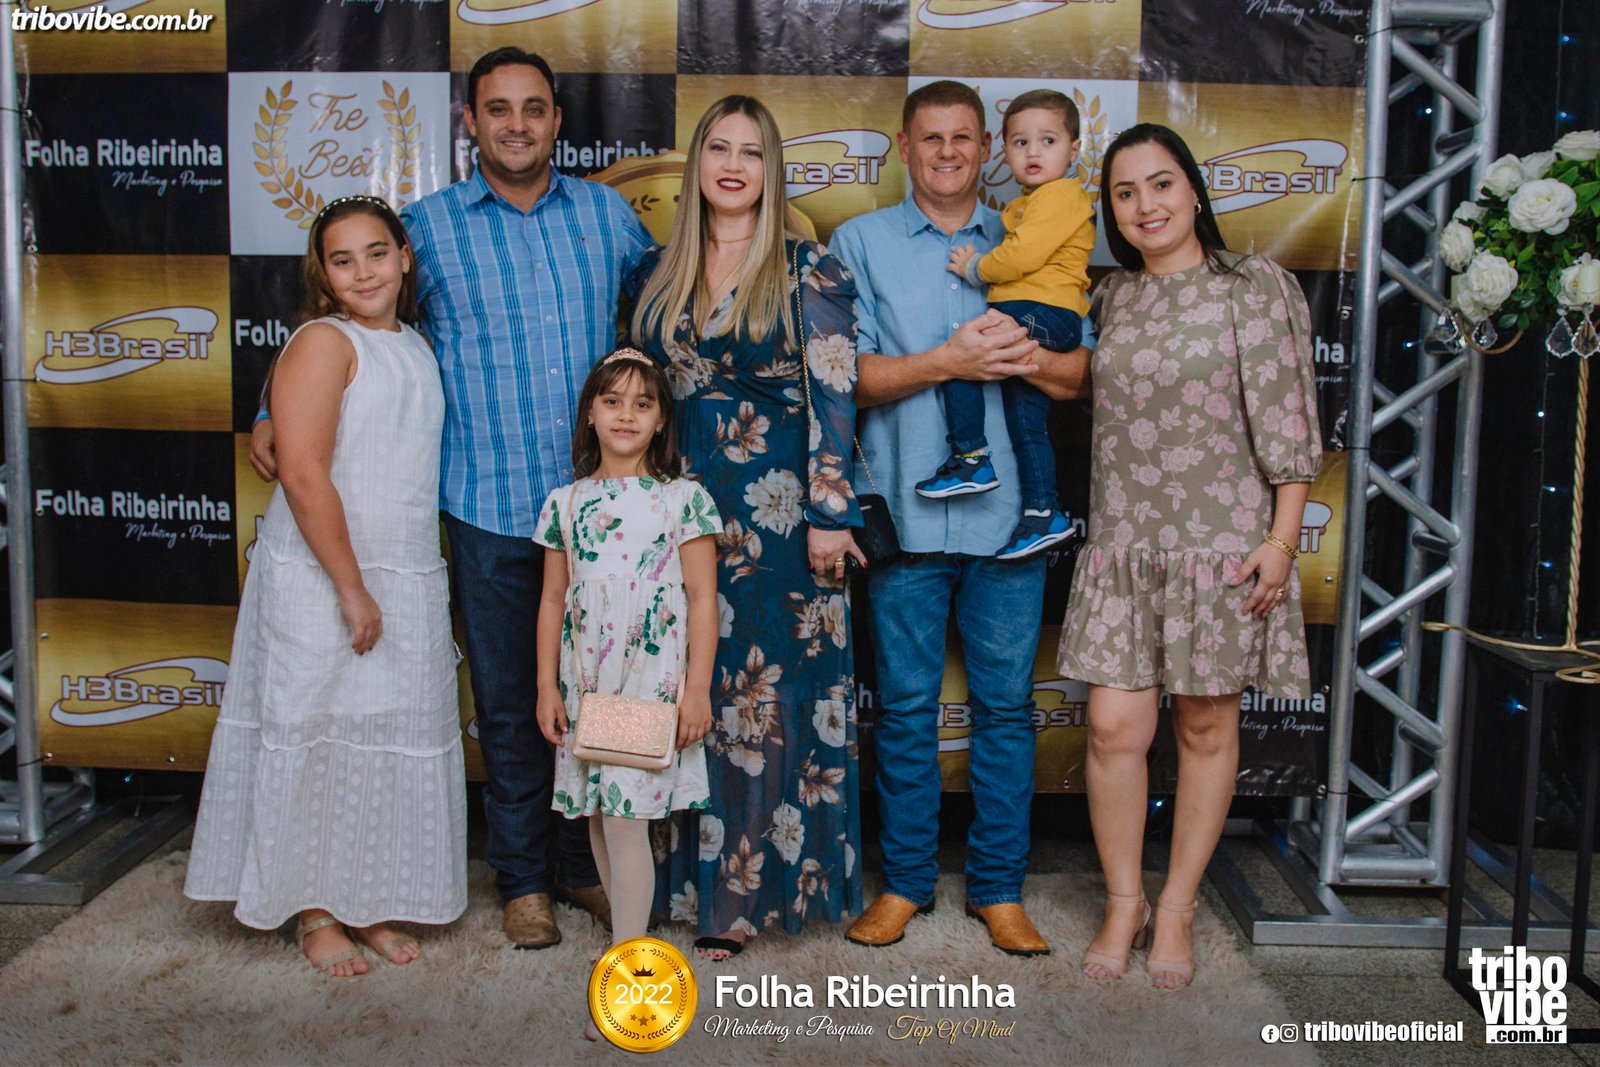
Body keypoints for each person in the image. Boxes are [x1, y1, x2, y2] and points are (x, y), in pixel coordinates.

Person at [252, 47, 655, 949]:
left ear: (558, 120)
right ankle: (524, 880)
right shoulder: (427, 228)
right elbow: (355, 320)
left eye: (534, 108)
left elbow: (670, 318)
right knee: (510, 704)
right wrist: (270, 410)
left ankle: (589, 862)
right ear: (469, 122)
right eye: (497, 109)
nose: (517, 124)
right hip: (489, 501)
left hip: (602, 512)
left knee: (606, 692)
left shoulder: (609, 216)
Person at [829, 80, 1090, 957]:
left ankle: (999, 889)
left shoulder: (1032, 232)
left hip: (1012, 520)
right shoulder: (859, 242)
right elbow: (845, 377)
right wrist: (948, 360)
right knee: (905, 709)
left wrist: (1021, 358)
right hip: (902, 513)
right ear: (904, 148)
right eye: (931, 137)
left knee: (1007, 710)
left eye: (964, 137)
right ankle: (905, 882)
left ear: (988, 149)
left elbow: (1077, 377)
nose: (948, 152)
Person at [1058, 123, 1321, 990]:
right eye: (1125, 192)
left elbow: (1289, 418)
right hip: (1126, 546)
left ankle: (1176, 906)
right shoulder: (1113, 298)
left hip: (1223, 548)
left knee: (1205, 727)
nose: (1146, 205)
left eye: (1161, 183)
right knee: (1112, 728)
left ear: (1195, 190)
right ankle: (1123, 900)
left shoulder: (1253, 285)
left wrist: (1282, 539)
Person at [186, 195, 465, 979]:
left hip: (402, 566)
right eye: (343, 260)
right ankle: (313, 908)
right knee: (313, 728)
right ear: (324, 274)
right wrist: (350, 587)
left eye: (376, 253)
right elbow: (303, 473)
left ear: (404, 257)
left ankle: (364, 895)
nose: (363, 272)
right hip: (325, 574)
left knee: (375, 730)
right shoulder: (321, 341)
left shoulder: (415, 343)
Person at [632, 95, 865, 961]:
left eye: (752, 152)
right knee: (685, 690)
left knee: (760, 702)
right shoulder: (655, 272)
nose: (733, 165)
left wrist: (830, 515)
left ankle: (739, 895)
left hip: (778, 523)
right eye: (718, 148)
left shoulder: (809, 269)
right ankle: (676, 882)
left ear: (772, 171)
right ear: (697, 163)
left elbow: (835, 395)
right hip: (676, 515)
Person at [533, 349, 721, 1041]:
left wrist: (696, 689)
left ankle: (632, 971)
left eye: (643, 403)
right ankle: (628, 937)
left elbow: (702, 599)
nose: (626, 415)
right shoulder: (565, 503)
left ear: (661, 419)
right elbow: (552, 599)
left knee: (622, 817)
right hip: (588, 681)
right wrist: (545, 686)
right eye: (612, 400)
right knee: (599, 812)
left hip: (650, 679)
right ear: (590, 411)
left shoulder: (683, 498)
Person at [937, 88, 1093, 560]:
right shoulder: (1037, 200)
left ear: (1074, 149)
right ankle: (1044, 514)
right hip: (1046, 315)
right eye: (1021, 142)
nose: (1033, 153)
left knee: (967, 351)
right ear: (1004, 150)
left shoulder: (1060, 196)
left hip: (1047, 314)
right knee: (1027, 427)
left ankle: (970, 456)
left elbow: (1022, 255)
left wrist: (975, 268)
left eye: (1048, 140)